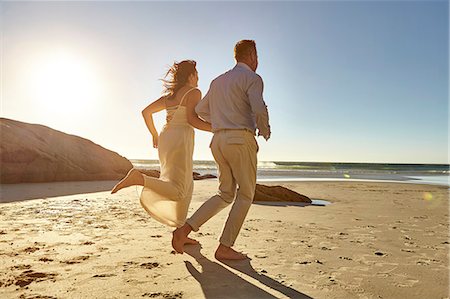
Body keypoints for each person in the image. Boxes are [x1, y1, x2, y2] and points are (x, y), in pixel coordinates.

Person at [172, 40, 271, 260]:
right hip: (240, 139)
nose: (258, 61)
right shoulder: (252, 78)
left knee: (225, 194)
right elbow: (257, 106)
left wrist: (221, 121)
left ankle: (183, 231)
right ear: (252, 55)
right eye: (257, 55)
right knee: (245, 193)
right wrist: (264, 128)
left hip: (218, 141)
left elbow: (200, 110)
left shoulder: (218, 81)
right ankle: (225, 247)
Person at [111, 60, 211, 247]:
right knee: (179, 188)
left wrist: (154, 134)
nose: (198, 78)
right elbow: (193, 120)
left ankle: (180, 232)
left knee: (187, 185)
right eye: (196, 74)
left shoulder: (170, 96)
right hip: (181, 138)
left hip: (166, 137)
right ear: (190, 76)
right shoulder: (194, 92)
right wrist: (217, 129)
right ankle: (140, 179)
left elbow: (146, 112)